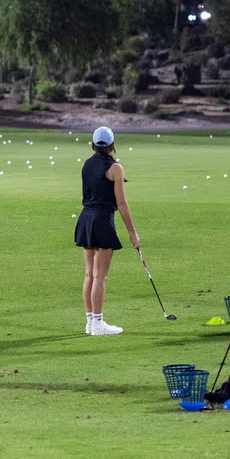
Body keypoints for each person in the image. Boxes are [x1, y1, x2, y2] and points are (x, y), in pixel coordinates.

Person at [74, 126, 142, 336]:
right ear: (112, 145)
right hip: (102, 220)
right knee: (100, 276)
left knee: (89, 274)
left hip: (86, 219)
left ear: (93, 144)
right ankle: (98, 324)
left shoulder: (86, 164)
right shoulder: (116, 169)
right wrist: (132, 233)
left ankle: (90, 323)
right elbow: (121, 203)